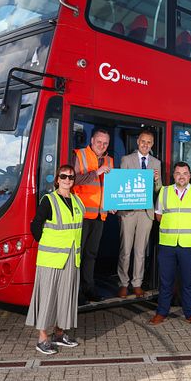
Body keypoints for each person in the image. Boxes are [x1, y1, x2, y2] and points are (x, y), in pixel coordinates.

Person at [26, 164, 84, 355]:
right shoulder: (49, 200)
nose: (68, 180)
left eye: (71, 177)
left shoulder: (77, 201)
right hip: (51, 258)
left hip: (71, 258)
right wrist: (45, 242)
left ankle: (60, 335)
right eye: (64, 176)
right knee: (48, 298)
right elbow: (35, 226)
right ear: (57, 179)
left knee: (66, 298)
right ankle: (43, 338)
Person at [149, 162, 191, 327]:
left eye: (185, 173)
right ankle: (161, 313)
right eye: (178, 173)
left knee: (187, 281)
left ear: (189, 176)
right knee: (165, 281)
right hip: (167, 243)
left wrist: (190, 224)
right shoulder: (164, 191)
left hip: (188, 244)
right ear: (174, 176)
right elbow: (158, 216)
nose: (181, 176)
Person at [117, 130, 162, 299]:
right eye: (143, 141)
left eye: (149, 142)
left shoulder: (156, 162)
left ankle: (137, 283)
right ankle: (123, 283)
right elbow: (121, 182)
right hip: (128, 211)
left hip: (146, 212)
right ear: (138, 141)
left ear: (152, 144)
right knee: (125, 249)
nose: (145, 145)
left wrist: (157, 180)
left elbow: (158, 189)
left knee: (140, 250)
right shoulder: (126, 160)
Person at [72, 128, 114, 302]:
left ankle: (89, 290)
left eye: (105, 143)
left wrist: (112, 204)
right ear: (91, 140)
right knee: (77, 255)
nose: (102, 146)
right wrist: (97, 172)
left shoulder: (109, 160)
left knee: (91, 254)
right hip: (81, 214)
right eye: (99, 142)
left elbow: (110, 186)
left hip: (99, 215)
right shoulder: (80, 155)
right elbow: (72, 180)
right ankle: (76, 293)